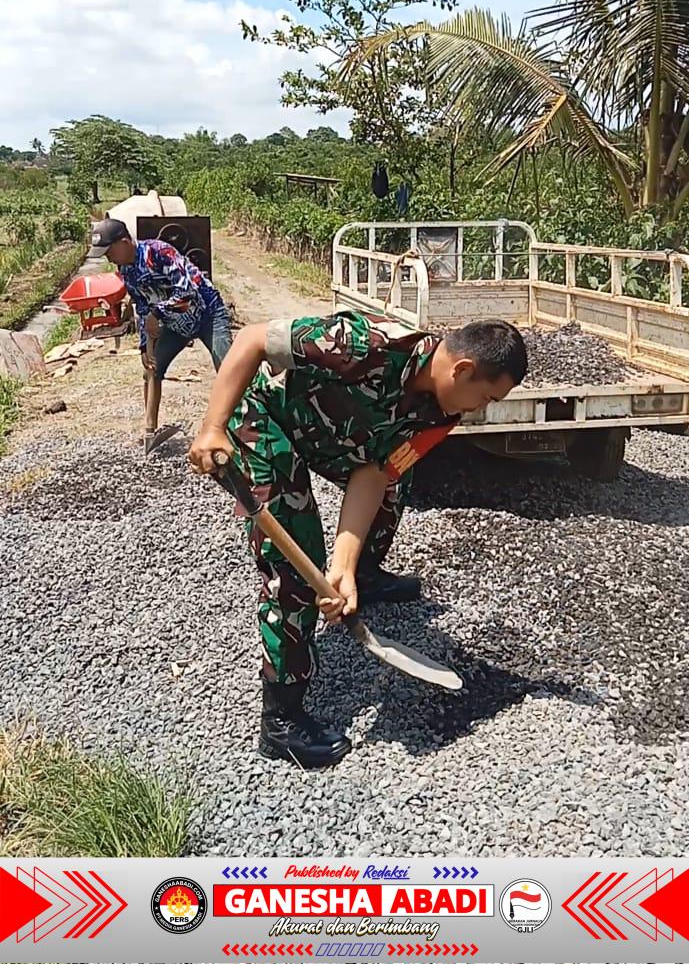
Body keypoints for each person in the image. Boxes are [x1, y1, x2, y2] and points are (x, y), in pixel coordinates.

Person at [189, 310, 527, 770]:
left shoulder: (440, 416)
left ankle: (361, 578)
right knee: (295, 562)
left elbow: (374, 472)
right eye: (485, 397)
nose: (479, 410)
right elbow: (250, 340)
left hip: (332, 437)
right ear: (462, 370)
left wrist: (343, 566)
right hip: (265, 418)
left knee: (394, 486)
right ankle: (281, 720)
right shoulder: (364, 345)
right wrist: (212, 426)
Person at [87, 218, 233, 431]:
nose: (108, 258)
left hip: (207, 314)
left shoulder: (159, 253)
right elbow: (143, 308)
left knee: (229, 367)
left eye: (109, 251)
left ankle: (244, 422)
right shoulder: (126, 271)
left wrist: (157, 313)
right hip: (175, 325)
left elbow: (188, 294)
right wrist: (145, 346)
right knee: (151, 370)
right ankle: (150, 430)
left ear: (125, 242)